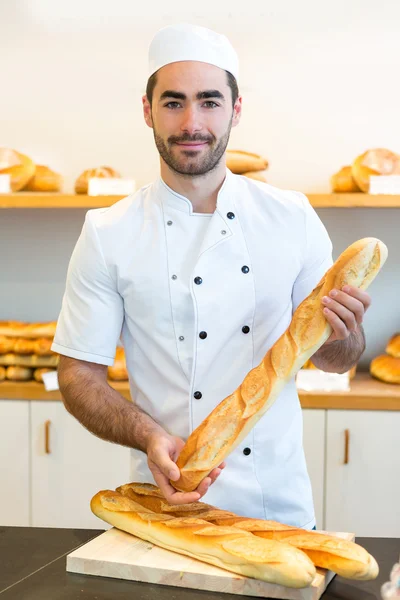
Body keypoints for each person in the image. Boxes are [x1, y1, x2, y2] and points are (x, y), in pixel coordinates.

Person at [52, 23, 371, 530]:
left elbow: (335, 359)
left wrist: (346, 332)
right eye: (174, 102)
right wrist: (147, 435)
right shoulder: (108, 231)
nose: (191, 122)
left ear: (235, 110)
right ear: (147, 110)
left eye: (209, 101)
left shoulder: (292, 217)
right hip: (164, 499)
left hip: (276, 505)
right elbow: (77, 375)